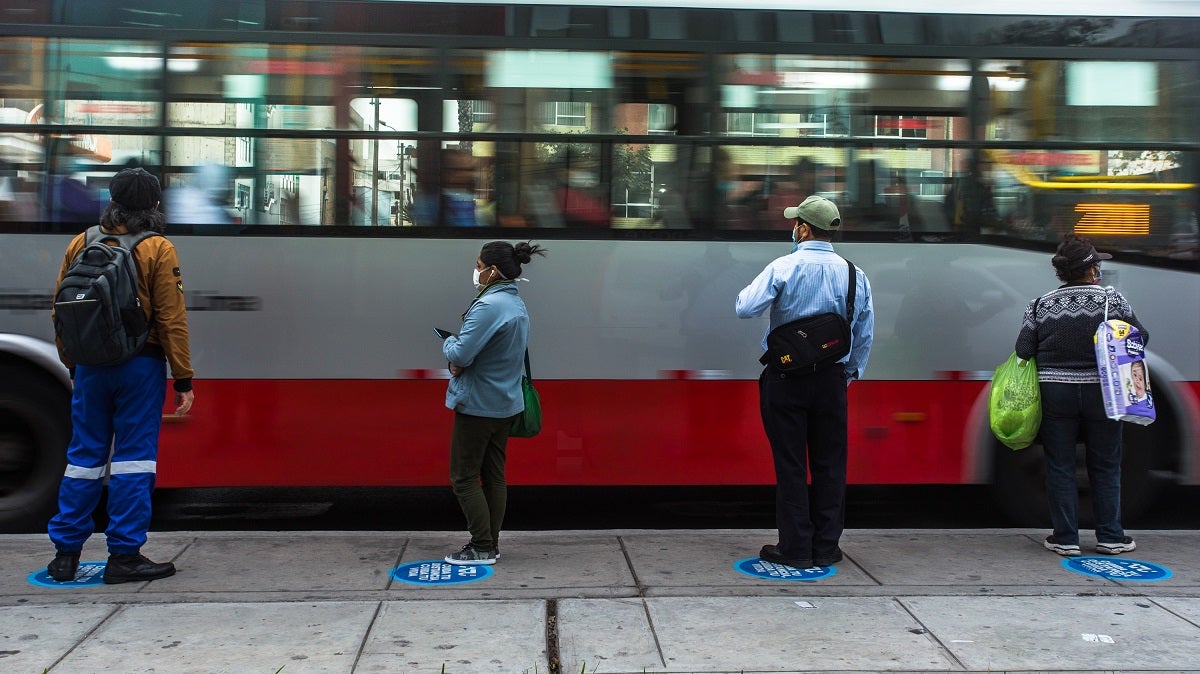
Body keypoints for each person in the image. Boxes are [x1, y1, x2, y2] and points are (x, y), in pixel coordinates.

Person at [46, 167, 195, 584]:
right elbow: (171, 319)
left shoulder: (82, 241)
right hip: (139, 367)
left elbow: (61, 309)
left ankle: (65, 555)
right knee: (133, 460)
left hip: (90, 366)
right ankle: (125, 556)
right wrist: (183, 378)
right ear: (155, 205)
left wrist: (72, 363)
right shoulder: (158, 248)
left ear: (111, 201)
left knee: (83, 459)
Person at [735, 196, 874, 568]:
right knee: (831, 464)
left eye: (795, 222)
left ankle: (795, 546)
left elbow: (745, 306)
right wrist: (847, 375)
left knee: (791, 463)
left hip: (786, 379)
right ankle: (827, 546)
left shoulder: (784, 266)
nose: (793, 227)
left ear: (804, 228)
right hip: (831, 381)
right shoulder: (853, 274)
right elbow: (863, 333)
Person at [1015, 234, 1147, 557]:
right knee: (1105, 463)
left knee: (1059, 464)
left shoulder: (1040, 304)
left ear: (1062, 272)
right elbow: (1140, 337)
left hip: (1055, 393)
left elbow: (1022, 349)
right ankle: (1111, 537)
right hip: (1103, 391)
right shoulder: (1111, 301)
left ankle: (1065, 538)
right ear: (1091, 270)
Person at [442, 240, 547, 565]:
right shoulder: (515, 304)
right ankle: (491, 543)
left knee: (463, 476)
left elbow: (460, 354)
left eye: (478, 265)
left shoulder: (489, 306)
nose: (476, 271)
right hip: (505, 402)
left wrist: (449, 345)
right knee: (494, 475)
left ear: (493, 270)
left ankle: (482, 545)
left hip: (478, 404)